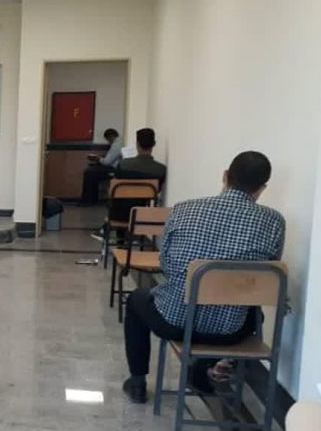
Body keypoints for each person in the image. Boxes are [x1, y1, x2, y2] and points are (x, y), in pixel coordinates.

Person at [121, 151, 285, 404]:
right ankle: (202, 369)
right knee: (254, 314)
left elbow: (166, 264)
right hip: (229, 330)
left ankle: (138, 382)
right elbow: (266, 275)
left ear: (225, 176)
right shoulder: (274, 222)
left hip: (174, 321)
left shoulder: (184, 210)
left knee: (136, 300)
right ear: (262, 188)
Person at [80, 127, 121, 205]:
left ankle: (88, 200)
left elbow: (107, 162)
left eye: (107, 139)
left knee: (89, 172)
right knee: (92, 171)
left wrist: (97, 158)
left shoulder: (116, 145)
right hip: (115, 168)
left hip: (114, 170)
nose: (108, 142)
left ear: (110, 137)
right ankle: (92, 200)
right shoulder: (119, 143)